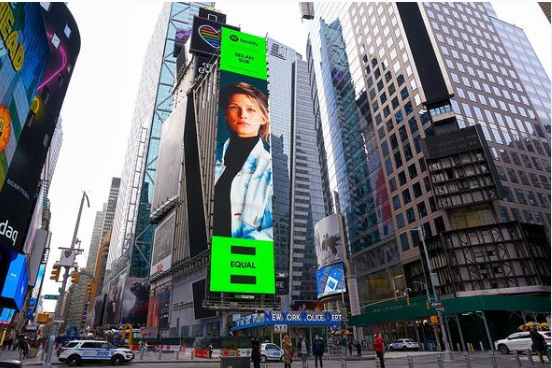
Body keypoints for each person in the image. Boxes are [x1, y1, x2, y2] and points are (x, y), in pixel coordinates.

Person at [213, 82, 273, 240]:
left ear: (263, 118)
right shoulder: (210, 155)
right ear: (226, 113)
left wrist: (250, 243)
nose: (243, 115)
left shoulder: (271, 169)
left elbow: (283, 227)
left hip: (244, 260)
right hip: (204, 259)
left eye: (251, 109)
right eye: (234, 107)